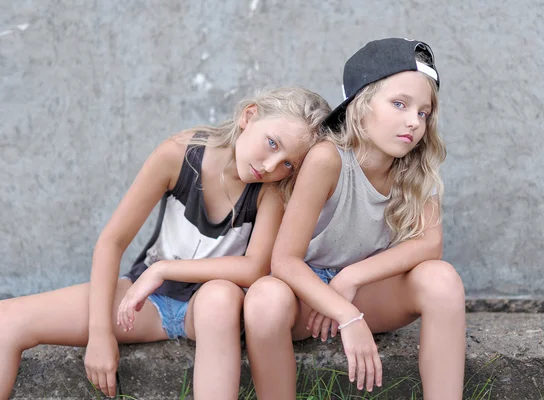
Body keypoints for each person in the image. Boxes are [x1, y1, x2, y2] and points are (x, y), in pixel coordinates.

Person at [0, 86, 331, 400]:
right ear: (249, 117)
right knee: (8, 320)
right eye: (272, 143)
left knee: (219, 296)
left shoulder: (271, 189)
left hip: (211, 312)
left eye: (288, 163)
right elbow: (112, 241)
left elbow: (255, 268)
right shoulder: (179, 155)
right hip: (150, 302)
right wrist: (100, 333)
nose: (271, 166)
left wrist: (164, 269)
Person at [243, 38, 466, 400]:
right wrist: (344, 313)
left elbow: (430, 244)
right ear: (360, 106)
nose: (414, 122)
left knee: (442, 280)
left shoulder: (416, 167)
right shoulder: (328, 159)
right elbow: (283, 261)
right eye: (399, 104)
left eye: (423, 113)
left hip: (365, 290)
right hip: (309, 299)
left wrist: (351, 279)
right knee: (264, 300)